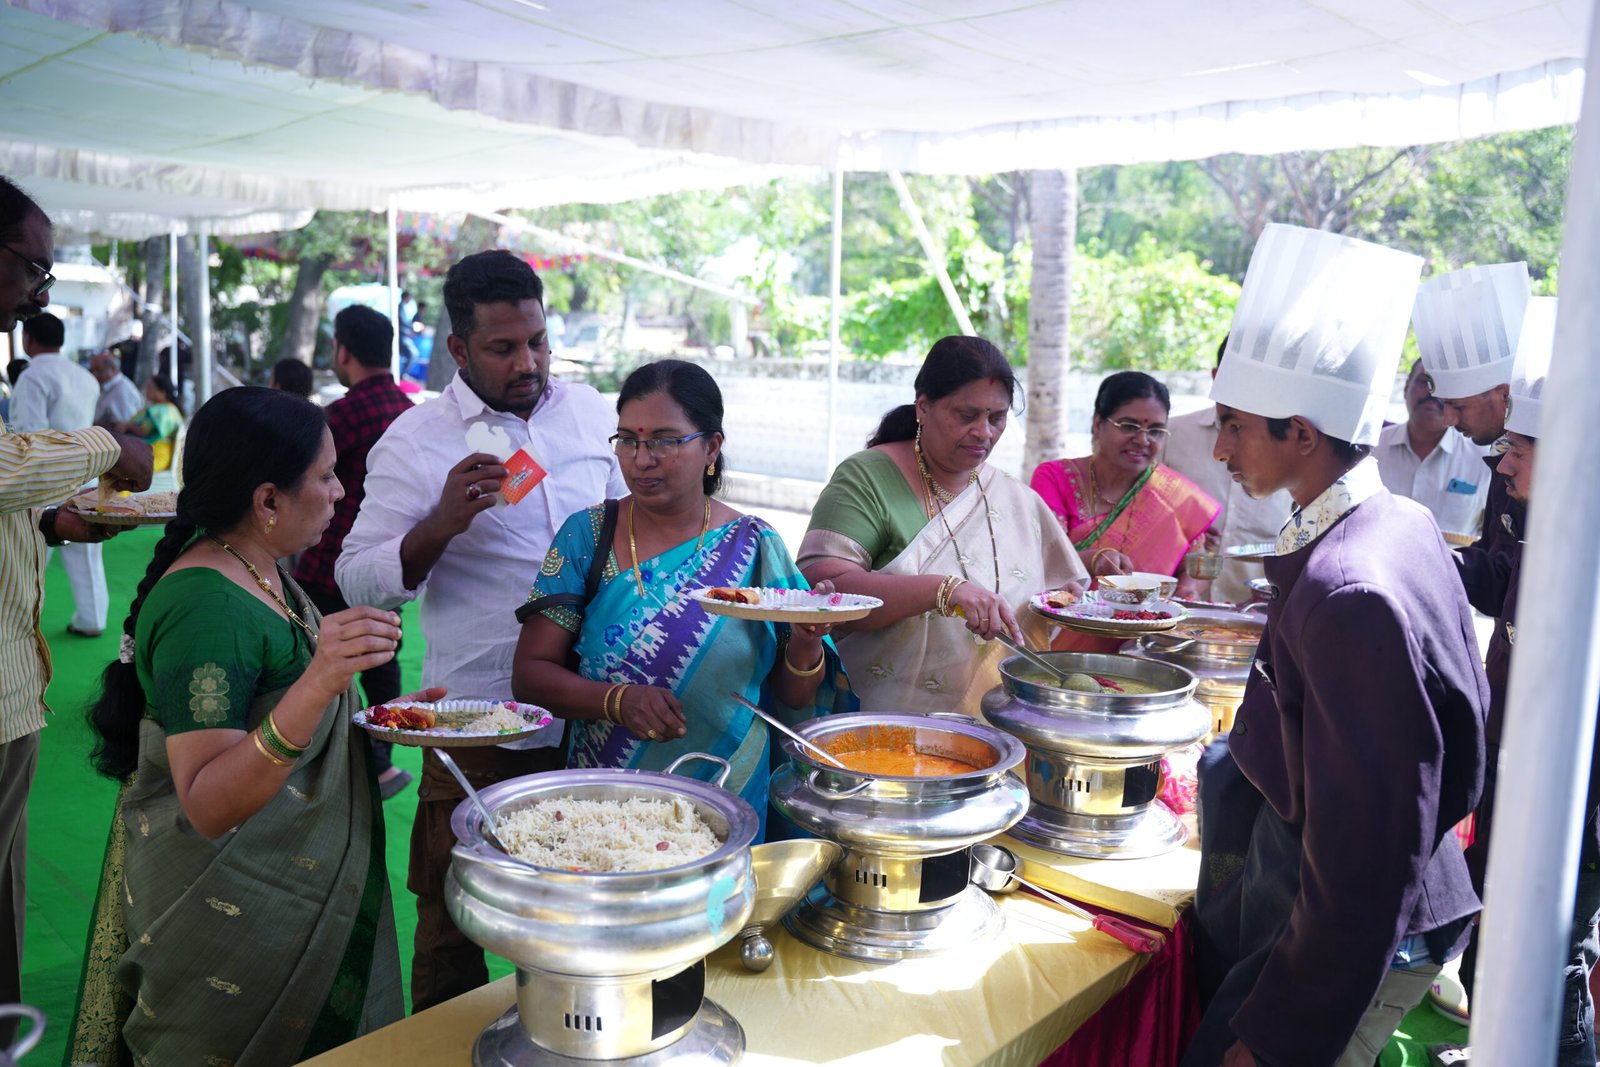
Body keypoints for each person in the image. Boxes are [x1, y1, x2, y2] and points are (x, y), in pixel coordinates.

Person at [1185, 224, 1487, 1067]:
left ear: (1303, 432)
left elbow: (1364, 859)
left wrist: (1275, 1032)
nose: (1219, 448)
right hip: (1358, 905)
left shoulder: (1351, 589)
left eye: (1234, 424)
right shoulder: (1397, 519)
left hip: (1352, 936)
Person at [66, 386, 421, 1065]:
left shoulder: (256, 569)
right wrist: (321, 680)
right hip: (227, 909)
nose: (340, 491)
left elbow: (285, 713)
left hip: (279, 896)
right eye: (326, 475)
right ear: (267, 501)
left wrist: (377, 714)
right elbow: (208, 801)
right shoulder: (207, 606)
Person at [336, 249, 625, 1012]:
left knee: (587, 900)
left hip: (591, 710)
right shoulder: (415, 440)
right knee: (453, 917)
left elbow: (635, 533)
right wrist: (441, 522)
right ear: (458, 349)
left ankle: (573, 1038)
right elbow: (356, 576)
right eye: (503, 347)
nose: (527, 362)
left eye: (537, 340)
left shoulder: (593, 415)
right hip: (475, 720)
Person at [514, 360, 850, 827]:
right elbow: (530, 675)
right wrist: (618, 700)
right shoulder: (587, 535)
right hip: (604, 802)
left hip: (727, 797)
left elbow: (794, 697)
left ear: (711, 446)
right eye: (627, 440)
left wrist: (808, 641)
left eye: (665, 441)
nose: (641, 459)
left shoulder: (755, 546)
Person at [0, 174, 153, 1047]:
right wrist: (107, 446)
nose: (38, 291)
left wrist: (49, 520)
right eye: (33, 268)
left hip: (16, 682)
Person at [1430, 298, 1600, 1066]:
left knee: (1551, 964)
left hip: (1576, 800)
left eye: (1519, 451)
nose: (1502, 465)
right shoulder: (1547, 515)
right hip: (1520, 758)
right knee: (1500, 944)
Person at [798, 336, 1084, 716]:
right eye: (966, 415)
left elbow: (1047, 589)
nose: (984, 432)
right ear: (923, 407)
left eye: (997, 418)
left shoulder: (1011, 496)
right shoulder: (868, 477)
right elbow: (821, 589)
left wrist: (1063, 597)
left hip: (999, 721)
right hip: (883, 720)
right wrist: (942, 590)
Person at [294, 305, 417, 801]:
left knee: (322, 664)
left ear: (342, 351)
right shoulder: (411, 415)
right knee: (381, 659)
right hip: (392, 564)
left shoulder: (340, 416)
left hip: (332, 562)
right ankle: (384, 756)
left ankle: (343, 764)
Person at [1030, 370, 1221, 651]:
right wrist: (1094, 559)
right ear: (1098, 424)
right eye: (1129, 426)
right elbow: (1041, 563)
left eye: (1155, 431)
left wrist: (1184, 593)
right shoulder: (1054, 478)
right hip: (1058, 643)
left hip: (1143, 648)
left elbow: (1191, 572)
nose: (1143, 440)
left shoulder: (1175, 496)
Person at [1162, 339, 1294, 604]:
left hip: (1256, 612)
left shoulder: (1291, 448)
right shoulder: (1170, 435)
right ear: (1216, 377)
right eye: (1241, 378)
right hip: (1175, 609)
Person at [9, 312, 112, 637]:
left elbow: (29, 435)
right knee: (88, 549)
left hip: (45, 476)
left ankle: (19, 623)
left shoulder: (31, 377)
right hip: (87, 470)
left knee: (29, 552)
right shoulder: (86, 377)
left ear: (28, 339)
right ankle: (91, 620)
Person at [1374, 359, 1490, 541]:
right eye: (1425, 381)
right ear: (1406, 387)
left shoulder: (1484, 460)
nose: (1432, 392)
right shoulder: (1370, 450)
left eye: (1445, 385)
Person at [112, 373, 184, 472]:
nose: (147, 391)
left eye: (150, 388)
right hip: (160, 455)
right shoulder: (172, 409)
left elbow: (144, 430)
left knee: (116, 465)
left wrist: (128, 426)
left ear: (162, 392)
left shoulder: (161, 411)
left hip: (155, 455)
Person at [90, 350, 143, 427]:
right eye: (92, 371)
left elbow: (122, 427)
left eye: (99, 370)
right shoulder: (109, 385)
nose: (95, 374)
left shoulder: (122, 391)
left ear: (113, 369)